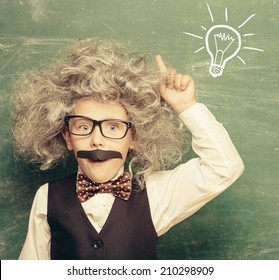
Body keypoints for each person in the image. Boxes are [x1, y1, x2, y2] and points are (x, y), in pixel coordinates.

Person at [12, 38, 244, 260]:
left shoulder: (156, 194)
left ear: (133, 136)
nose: (97, 141)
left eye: (113, 127)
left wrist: (186, 106)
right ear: (68, 137)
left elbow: (224, 167)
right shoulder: (47, 197)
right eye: (83, 126)